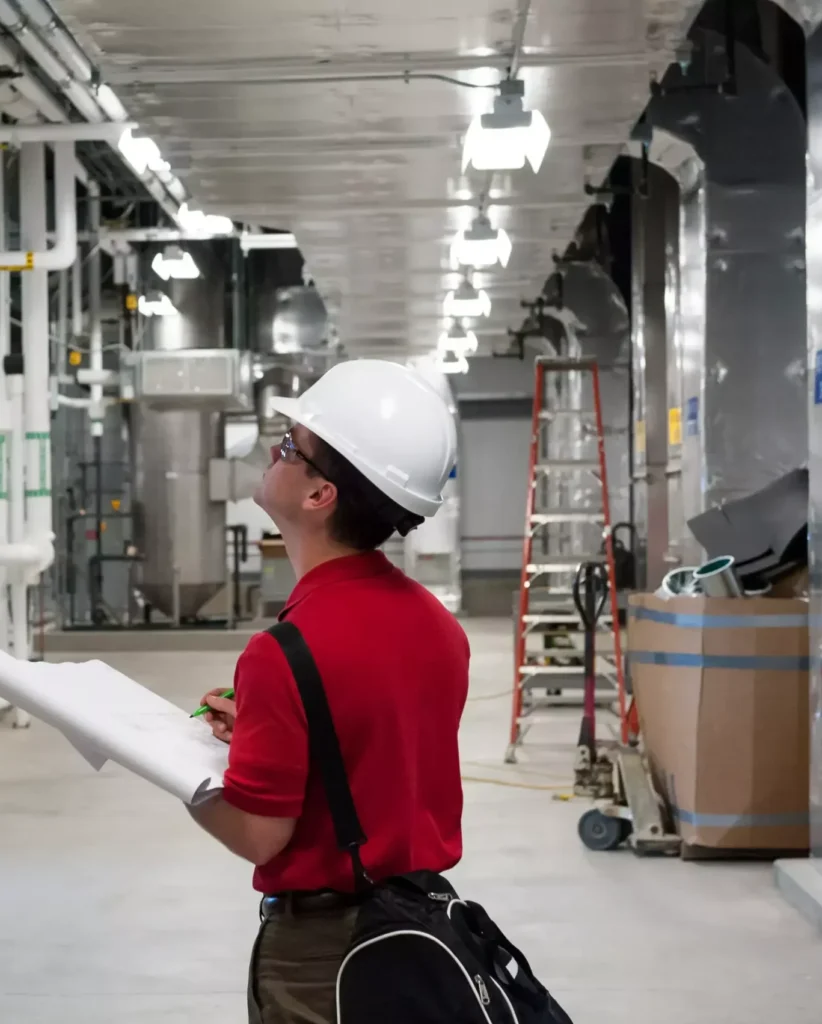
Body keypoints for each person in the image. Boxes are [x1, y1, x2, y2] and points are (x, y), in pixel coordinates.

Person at [187, 358, 470, 1024]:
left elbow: (260, 835)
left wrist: (181, 779)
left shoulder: (285, 650)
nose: (275, 452)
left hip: (324, 959)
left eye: (291, 447)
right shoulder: (437, 625)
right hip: (421, 930)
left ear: (321, 496)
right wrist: (267, 730)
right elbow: (375, 749)